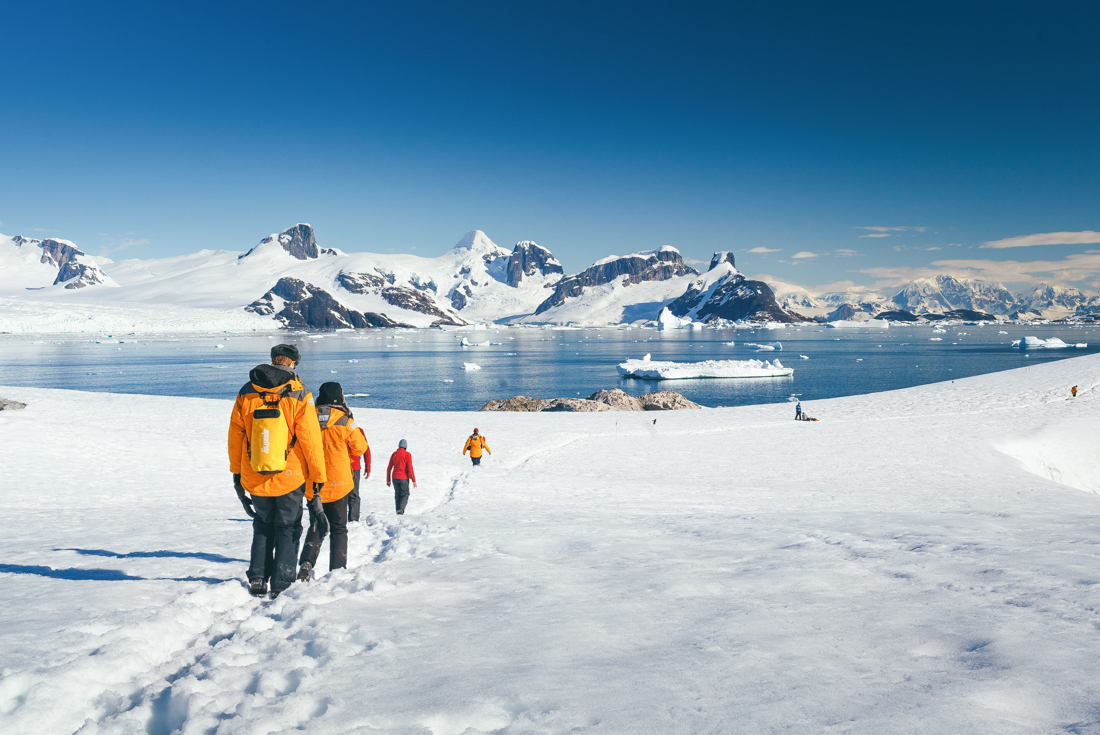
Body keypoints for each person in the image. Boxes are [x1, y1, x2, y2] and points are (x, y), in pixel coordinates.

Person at [229, 344, 326, 598]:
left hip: (255, 471)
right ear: (293, 363)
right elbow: (311, 441)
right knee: (288, 526)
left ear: (273, 361)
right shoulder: (299, 394)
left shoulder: (247, 391)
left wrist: (236, 472)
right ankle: (282, 584)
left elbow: (236, 436)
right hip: (290, 476)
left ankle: (259, 578)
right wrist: (317, 477)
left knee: (262, 523)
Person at [297, 382, 368, 582]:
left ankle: (307, 562)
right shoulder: (345, 421)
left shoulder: (307, 417)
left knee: (317, 525)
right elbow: (360, 448)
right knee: (338, 528)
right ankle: (337, 571)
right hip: (339, 483)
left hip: (313, 484)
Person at [386, 439, 417, 515]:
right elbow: (410, 468)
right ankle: (401, 509)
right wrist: (414, 480)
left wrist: (388, 480)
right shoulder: (407, 455)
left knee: (397, 494)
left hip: (395, 477)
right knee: (405, 494)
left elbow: (389, 467)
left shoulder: (394, 454)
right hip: (404, 478)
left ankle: (398, 510)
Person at [348, 425, 370, 522]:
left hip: (340, 466)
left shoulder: (336, 427)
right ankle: (353, 519)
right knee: (354, 493)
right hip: (354, 467)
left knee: (339, 493)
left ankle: (339, 518)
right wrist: (367, 467)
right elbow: (366, 449)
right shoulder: (358, 430)